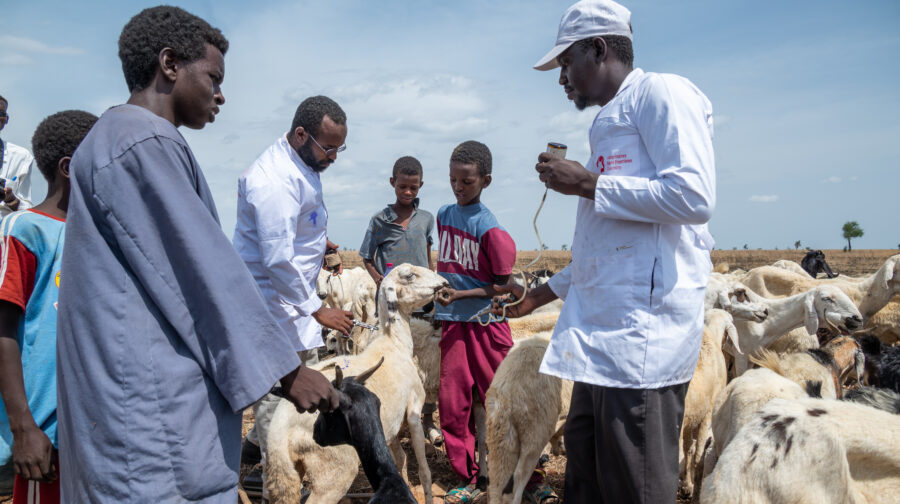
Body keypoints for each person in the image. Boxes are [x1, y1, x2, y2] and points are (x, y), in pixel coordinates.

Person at [56, 6, 339, 502]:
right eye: (213, 77)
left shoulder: (117, 141)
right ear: (169, 64)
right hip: (150, 420)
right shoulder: (142, 144)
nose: (220, 94)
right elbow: (202, 276)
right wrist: (288, 371)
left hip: (124, 405)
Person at [496, 1, 716, 502]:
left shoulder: (661, 93)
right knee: (586, 479)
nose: (562, 79)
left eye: (566, 63)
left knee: (633, 483)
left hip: (641, 345)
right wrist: (538, 296)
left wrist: (590, 184)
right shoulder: (608, 124)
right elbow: (609, 245)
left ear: (599, 49)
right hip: (599, 344)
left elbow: (694, 197)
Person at [232, 95, 354, 492]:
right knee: (275, 404)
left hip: (289, 306)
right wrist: (318, 309)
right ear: (301, 134)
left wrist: (319, 245)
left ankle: (267, 467)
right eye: (329, 147)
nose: (334, 157)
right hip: (273, 310)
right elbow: (277, 259)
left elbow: (295, 228)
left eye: (340, 147)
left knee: (288, 402)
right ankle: (275, 485)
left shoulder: (302, 161)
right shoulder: (273, 181)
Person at [434, 141, 555, 503]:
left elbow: (504, 285)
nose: (458, 187)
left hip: (487, 325)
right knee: (454, 403)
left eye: (467, 181)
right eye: (453, 179)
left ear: (485, 181)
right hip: (453, 325)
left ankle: (529, 476)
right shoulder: (443, 215)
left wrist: (460, 295)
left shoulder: (491, 229)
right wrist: (448, 299)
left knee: (506, 402)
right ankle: (471, 477)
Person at [0, 110, 97, 504]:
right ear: (69, 168)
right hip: (44, 434)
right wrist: (23, 426)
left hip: (92, 427)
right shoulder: (26, 230)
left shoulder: (98, 234)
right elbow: (4, 331)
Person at [358, 155, 440, 443]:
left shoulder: (427, 219)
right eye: (402, 186)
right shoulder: (379, 221)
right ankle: (395, 417)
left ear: (420, 186)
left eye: (413, 188)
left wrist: (430, 283)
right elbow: (366, 257)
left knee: (425, 361)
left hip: (422, 303)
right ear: (393, 183)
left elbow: (427, 258)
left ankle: (426, 417)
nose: (408, 192)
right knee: (393, 357)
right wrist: (382, 283)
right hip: (393, 307)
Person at [0, 96, 35, 218]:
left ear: (6, 119)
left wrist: (11, 200)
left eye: (1, 113)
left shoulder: (21, 157)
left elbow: (26, 209)